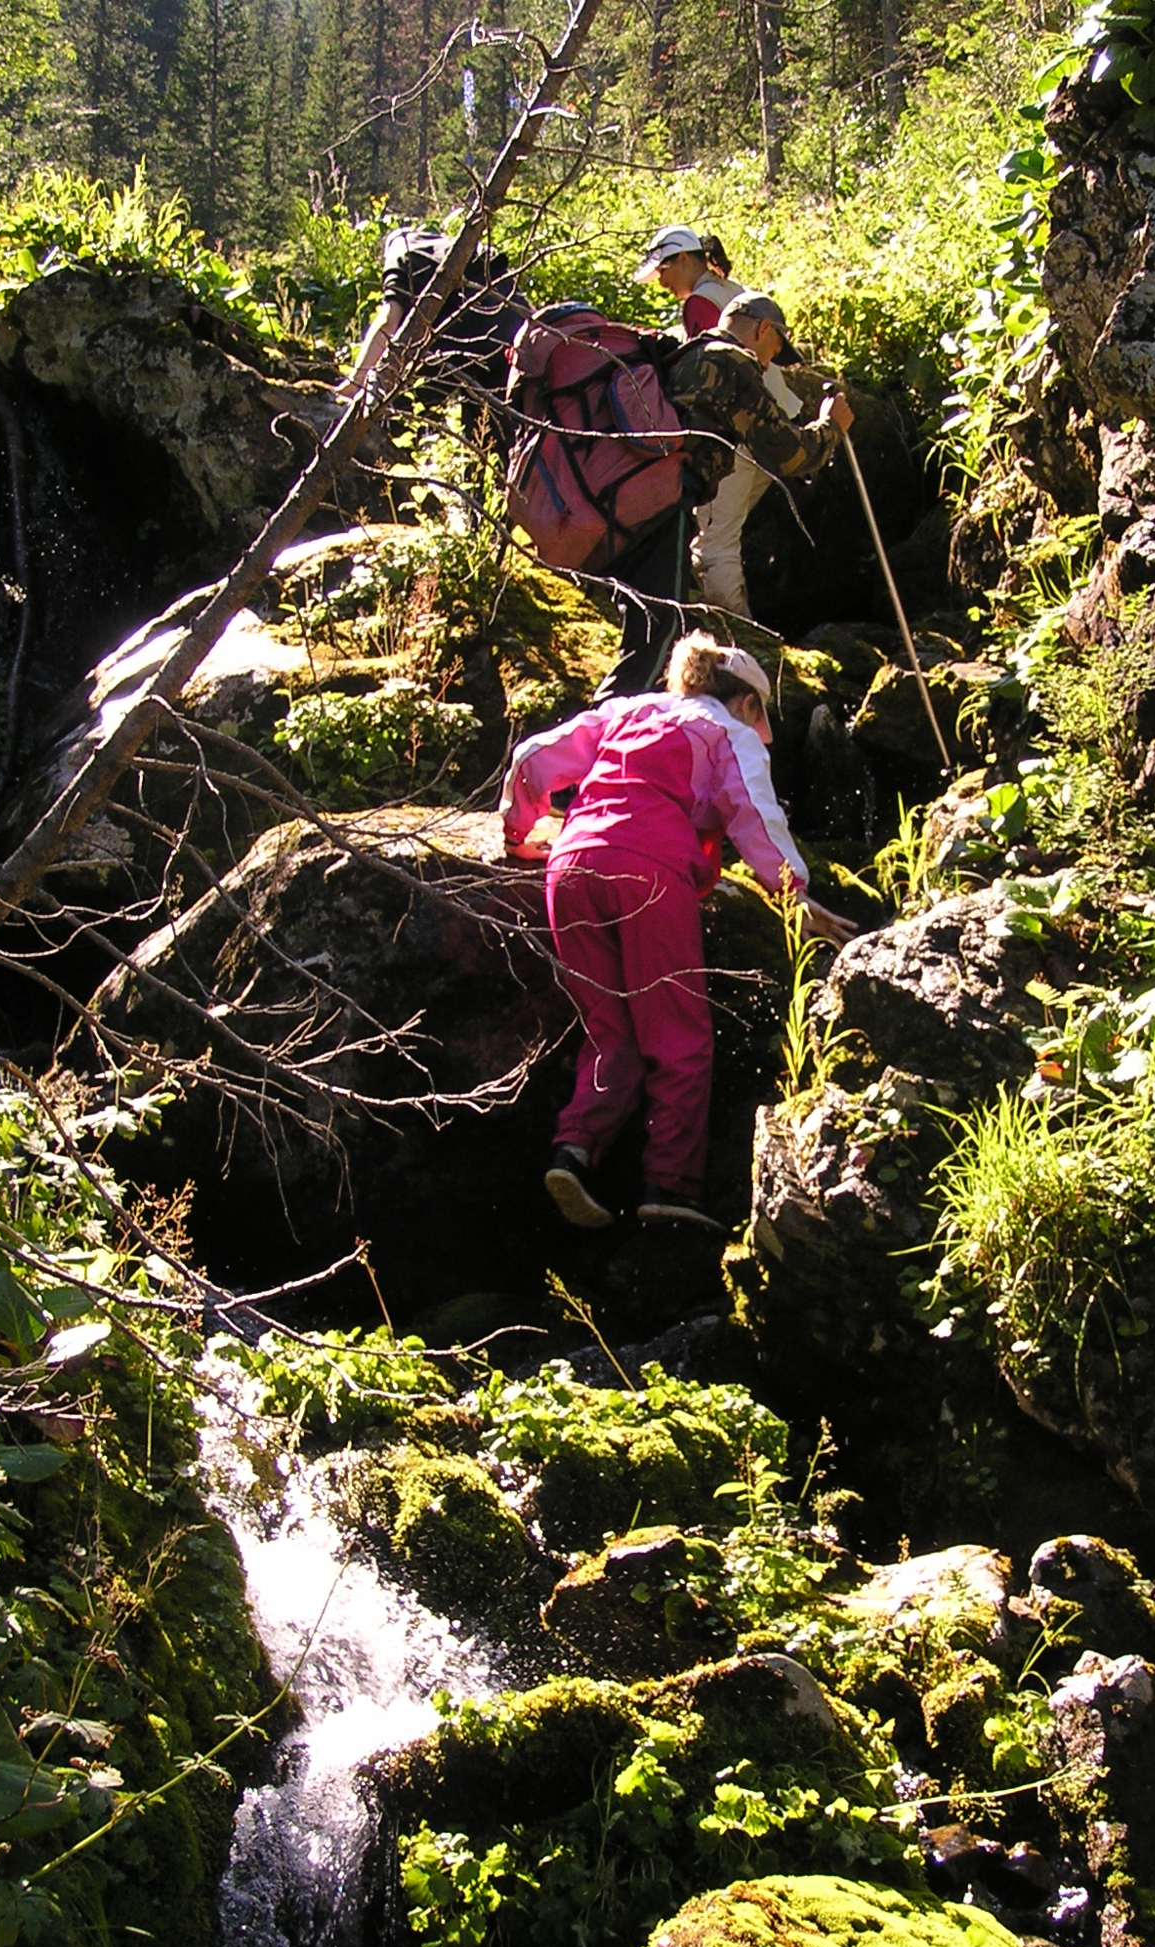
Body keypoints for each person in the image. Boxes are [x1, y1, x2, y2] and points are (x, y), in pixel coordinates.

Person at [501, 633, 858, 1231]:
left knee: (610, 1032)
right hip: (648, 875)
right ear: (747, 703)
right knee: (678, 1038)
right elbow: (755, 812)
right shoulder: (730, 733)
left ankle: (575, 1152)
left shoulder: (629, 710)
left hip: (571, 867)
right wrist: (793, 892)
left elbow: (535, 757)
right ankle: (670, 1186)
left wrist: (519, 834)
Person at [593, 292, 853, 702]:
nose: (770, 362)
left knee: (648, 628)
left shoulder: (688, 352)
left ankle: (623, 725)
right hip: (663, 511)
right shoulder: (733, 363)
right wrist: (831, 426)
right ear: (764, 329)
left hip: (625, 503)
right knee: (657, 635)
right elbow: (789, 453)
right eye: (775, 348)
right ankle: (608, 730)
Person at [634, 226, 805, 618]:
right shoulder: (732, 289)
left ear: (682, 260)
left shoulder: (699, 302)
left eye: (663, 269)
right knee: (725, 533)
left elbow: (708, 371)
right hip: (776, 420)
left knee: (714, 543)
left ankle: (739, 639)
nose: (660, 280)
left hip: (740, 430)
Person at [342, 227, 529, 399]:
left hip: (473, 332)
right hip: (516, 328)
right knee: (490, 425)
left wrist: (355, 382)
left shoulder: (401, 252)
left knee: (403, 402)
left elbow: (388, 322)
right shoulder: (451, 247)